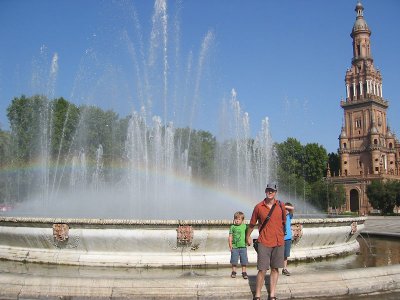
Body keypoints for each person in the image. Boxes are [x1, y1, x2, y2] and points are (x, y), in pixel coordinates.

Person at [246, 183, 286, 300]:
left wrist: (282, 235)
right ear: (265, 191)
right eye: (268, 190)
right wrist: (248, 236)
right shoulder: (258, 207)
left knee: (275, 268)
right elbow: (252, 223)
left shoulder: (281, 205)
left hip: (278, 241)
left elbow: (283, 221)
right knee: (262, 269)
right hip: (263, 241)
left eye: (272, 191)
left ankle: (272, 294)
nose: (270, 192)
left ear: (275, 192)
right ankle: (257, 295)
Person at [228, 211, 249, 279]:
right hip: (235, 247)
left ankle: (244, 272)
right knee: (234, 260)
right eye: (236, 219)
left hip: (243, 246)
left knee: (244, 260)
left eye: (239, 219)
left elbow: (248, 235)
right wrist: (230, 245)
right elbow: (230, 236)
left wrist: (249, 241)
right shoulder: (232, 227)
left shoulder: (245, 226)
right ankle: (234, 271)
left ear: (242, 220)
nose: (237, 220)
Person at [282, 202, 294, 276]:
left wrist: (285, 207)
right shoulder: (280, 216)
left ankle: (284, 269)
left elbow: (292, 208)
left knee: (285, 255)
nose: (286, 210)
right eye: (285, 209)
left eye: (287, 209)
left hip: (287, 238)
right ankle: (274, 269)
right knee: (277, 254)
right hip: (280, 238)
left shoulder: (289, 216)